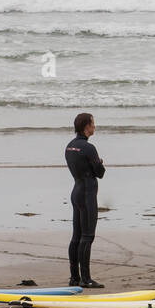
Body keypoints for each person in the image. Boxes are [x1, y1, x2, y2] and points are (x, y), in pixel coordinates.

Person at [65, 112, 105, 288]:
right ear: (86, 126)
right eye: (93, 123)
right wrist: (100, 163)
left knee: (76, 237)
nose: (94, 126)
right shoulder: (89, 148)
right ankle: (86, 279)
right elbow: (100, 173)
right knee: (87, 237)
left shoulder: (69, 146)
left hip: (76, 192)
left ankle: (74, 277)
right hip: (88, 194)